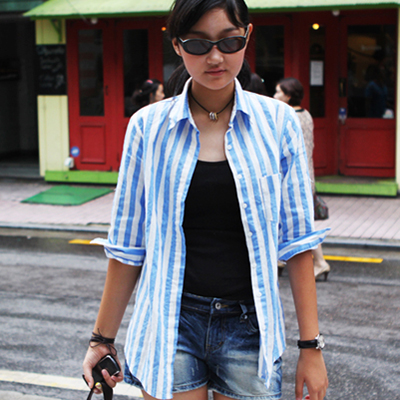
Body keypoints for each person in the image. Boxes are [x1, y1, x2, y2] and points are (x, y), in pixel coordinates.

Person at [83, 1, 329, 400]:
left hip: (250, 326)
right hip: (169, 322)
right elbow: (128, 246)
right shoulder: (148, 127)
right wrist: (101, 339)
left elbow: (298, 243)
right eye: (198, 44)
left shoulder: (278, 123)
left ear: (247, 37)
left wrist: (310, 347)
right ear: (177, 45)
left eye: (229, 42)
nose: (215, 57)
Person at [274, 77, 331, 281]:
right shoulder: (306, 114)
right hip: (307, 173)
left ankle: (320, 262)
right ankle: (281, 259)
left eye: (278, 92)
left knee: (300, 222)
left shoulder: (287, 116)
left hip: (293, 175)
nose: (274, 96)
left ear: (288, 96)